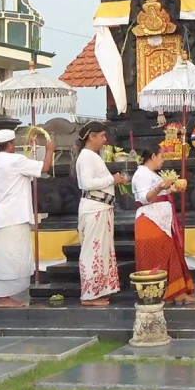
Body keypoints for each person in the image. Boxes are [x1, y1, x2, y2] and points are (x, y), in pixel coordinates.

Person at [0, 128, 54, 308]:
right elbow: (44, 168)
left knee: (0, 258)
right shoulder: (16, 161)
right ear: (11, 144)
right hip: (14, 217)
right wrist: (50, 150)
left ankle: (2, 296)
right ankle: (4, 297)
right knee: (12, 258)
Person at [131, 143, 195, 304]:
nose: (163, 161)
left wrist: (172, 188)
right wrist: (160, 187)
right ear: (152, 156)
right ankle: (156, 293)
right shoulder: (141, 174)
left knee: (170, 254)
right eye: (161, 156)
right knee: (155, 257)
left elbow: (163, 191)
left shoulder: (152, 173)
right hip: (151, 221)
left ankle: (176, 292)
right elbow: (145, 198)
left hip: (162, 222)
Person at [73, 121, 128, 307]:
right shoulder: (87, 156)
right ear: (92, 136)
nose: (105, 140)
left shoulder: (91, 156)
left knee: (100, 251)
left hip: (101, 208)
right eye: (102, 136)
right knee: (93, 252)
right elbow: (87, 184)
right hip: (94, 208)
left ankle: (97, 291)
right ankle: (90, 294)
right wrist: (112, 179)